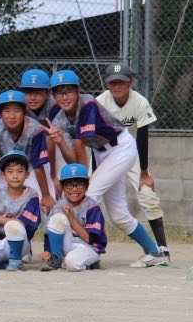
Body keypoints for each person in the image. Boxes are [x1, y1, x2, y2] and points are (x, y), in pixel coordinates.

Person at [47, 70, 166, 267]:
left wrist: (82, 181)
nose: (64, 96)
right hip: (103, 154)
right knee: (119, 216)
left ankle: (87, 250)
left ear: (78, 91)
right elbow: (72, 158)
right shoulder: (59, 118)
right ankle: (155, 252)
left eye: (68, 91)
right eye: (59, 92)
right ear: (53, 96)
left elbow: (80, 147)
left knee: (88, 194)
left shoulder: (87, 103)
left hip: (121, 147)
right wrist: (59, 142)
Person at [95, 62, 169, 257]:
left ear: (131, 82)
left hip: (130, 150)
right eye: (112, 83)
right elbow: (93, 141)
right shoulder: (100, 102)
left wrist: (144, 173)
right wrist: (94, 171)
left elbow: (142, 136)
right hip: (105, 152)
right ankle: (89, 244)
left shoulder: (139, 101)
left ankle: (162, 249)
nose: (117, 86)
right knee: (89, 196)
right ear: (107, 84)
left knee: (147, 195)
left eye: (122, 82)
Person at [0, 90, 51, 202]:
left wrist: (46, 195)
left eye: (17, 110)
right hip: (3, 169)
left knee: (41, 200)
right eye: (7, 111)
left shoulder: (35, 128)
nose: (12, 116)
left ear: (25, 111)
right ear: (0, 113)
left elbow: (38, 164)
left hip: (29, 168)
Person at [0, 150, 41, 272]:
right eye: (10, 172)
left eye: (20, 171)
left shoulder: (32, 195)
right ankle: (5, 262)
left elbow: (22, 222)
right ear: (3, 175)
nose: (15, 176)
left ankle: (16, 260)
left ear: (27, 175)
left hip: (21, 243)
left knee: (13, 225)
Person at [40, 164, 107, 272]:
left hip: (89, 248)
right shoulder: (59, 205)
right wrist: (47, 250)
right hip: (68, 243)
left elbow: (90, 240)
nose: (74, 189)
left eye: (79, 185)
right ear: (62, 187)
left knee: (71, 264)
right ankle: (56, 258)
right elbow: (48, 233)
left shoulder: (92, 207)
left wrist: (72, 219)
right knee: (57, 217)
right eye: (69, 185)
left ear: (86, 186)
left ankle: (91, 263)